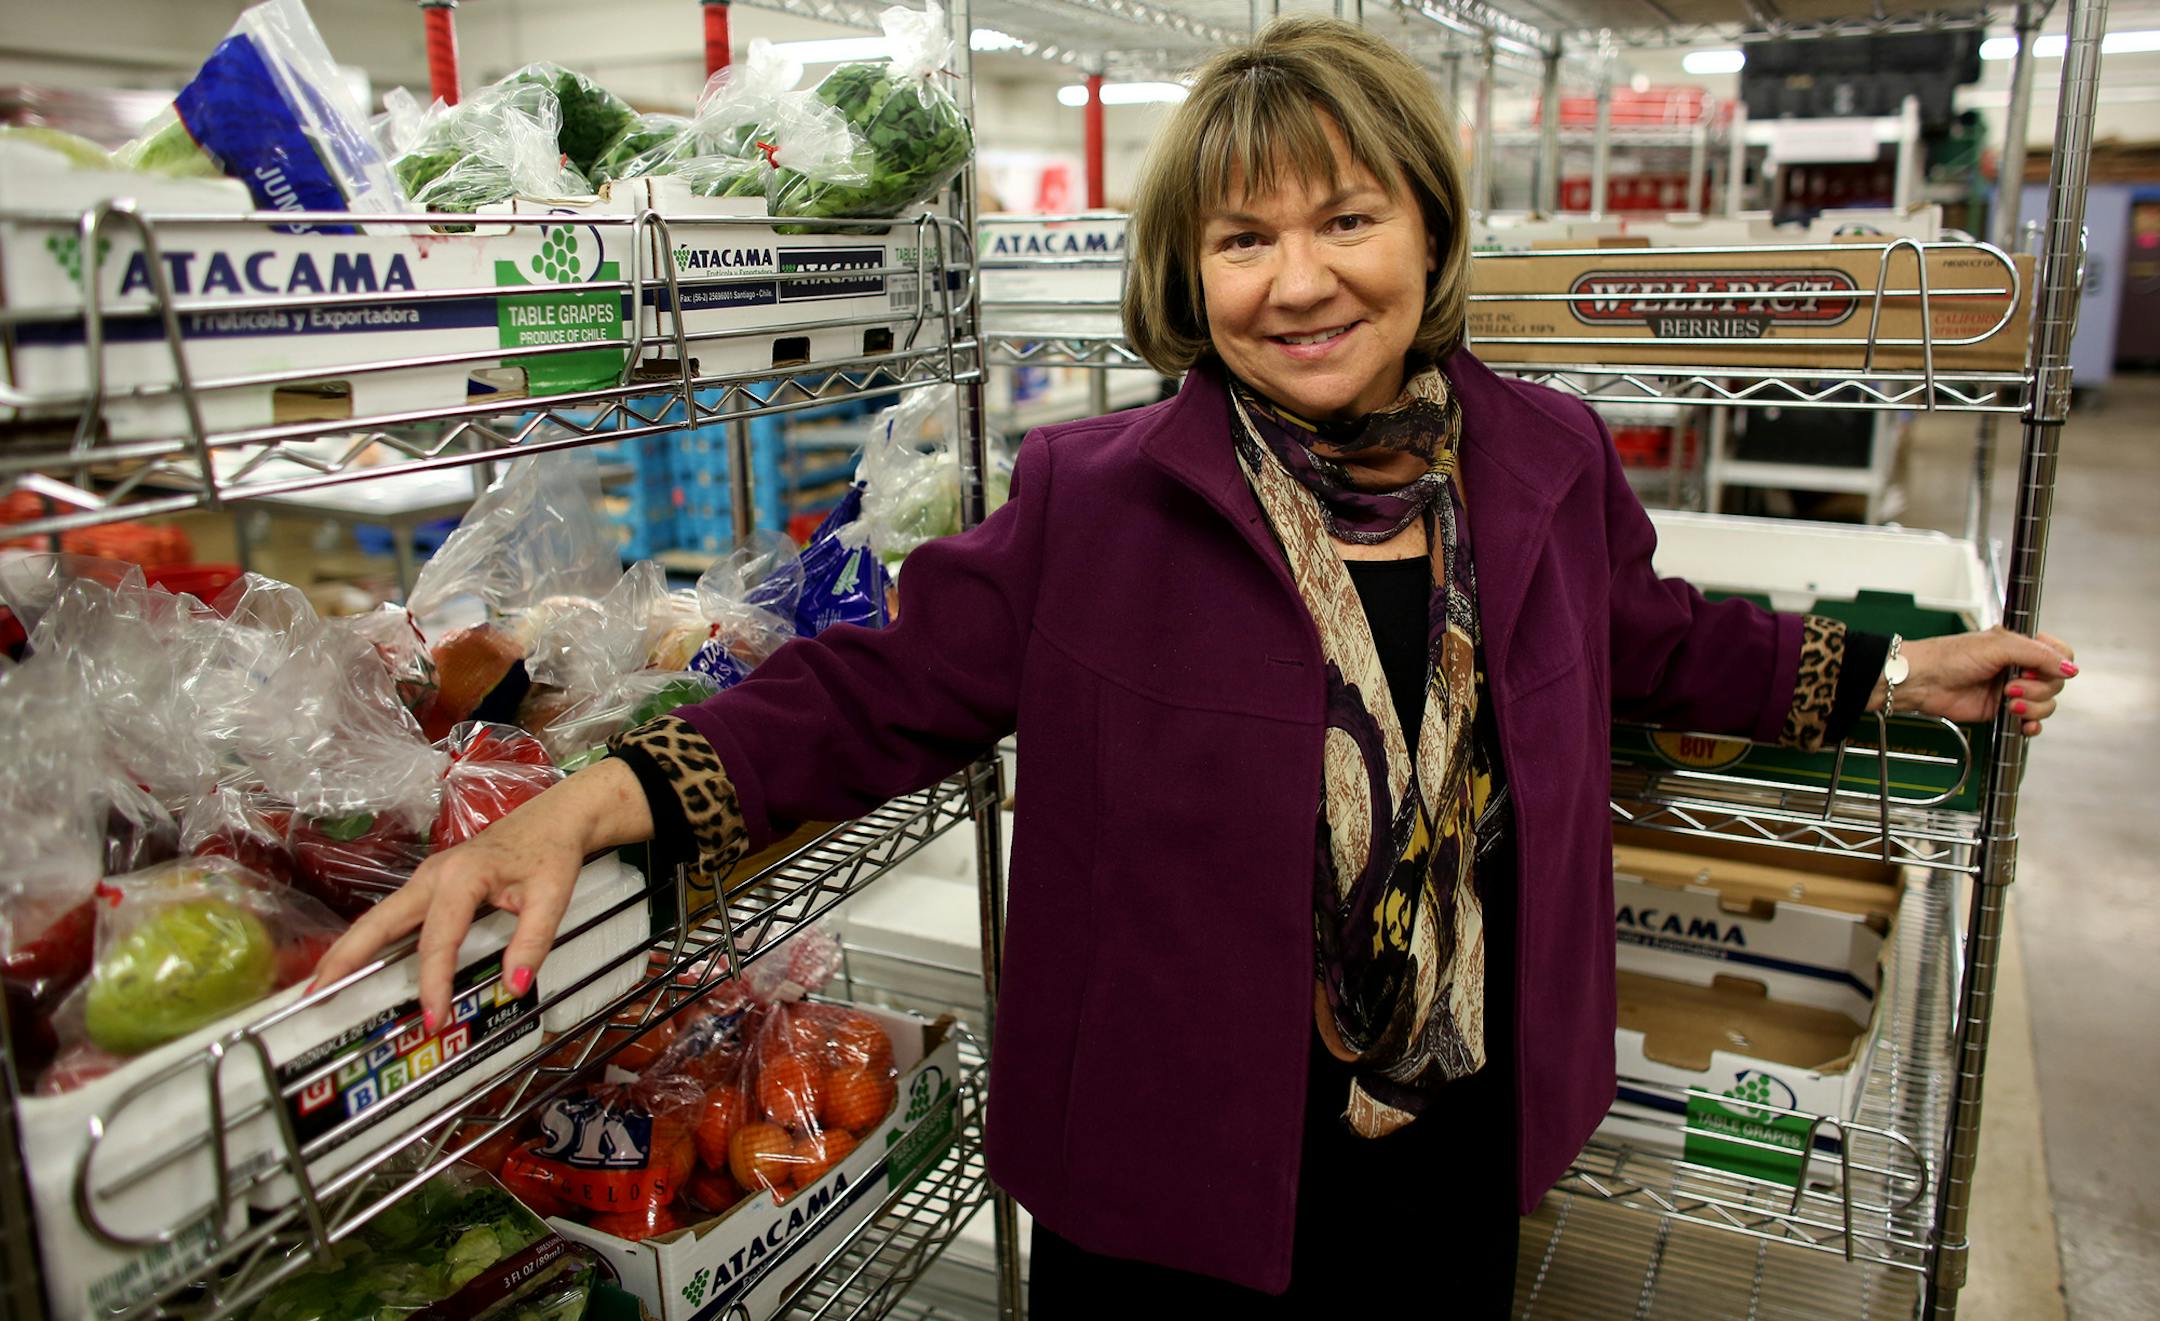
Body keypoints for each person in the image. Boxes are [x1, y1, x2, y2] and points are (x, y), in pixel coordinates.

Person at [313, 17, 2078, 1316]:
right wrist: (593, 802)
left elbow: (1664, 638)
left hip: (1453, 1125)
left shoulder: (1542, 463)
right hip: (1172, 1160)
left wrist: (1897, 675)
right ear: (1187, 271)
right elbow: (872, 692)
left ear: (1429, 237)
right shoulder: (1098, 498)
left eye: (1345, 220)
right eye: (1244, 238)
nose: (1298, 279)